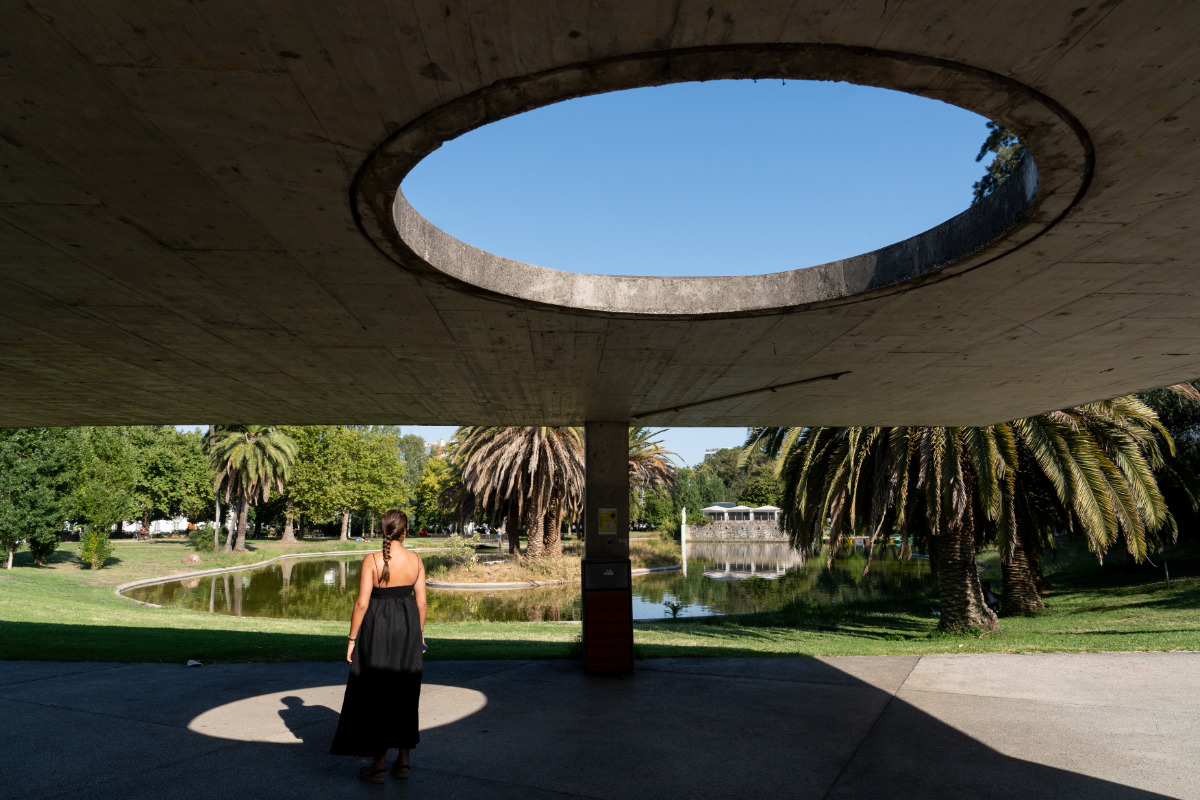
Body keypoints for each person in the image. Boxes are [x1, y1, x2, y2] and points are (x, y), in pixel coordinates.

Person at [330, 509, 427, 783]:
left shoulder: (372, 560)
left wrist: (351, 639)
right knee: (406, 694)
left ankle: (379, 766)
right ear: (404, 531)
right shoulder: (416, 560)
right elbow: (421, 603)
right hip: (408, 632)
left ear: (383, 530)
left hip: (377, 632)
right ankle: (404, 763)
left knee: (377, 695)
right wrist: (418, 635)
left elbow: (361, 604)